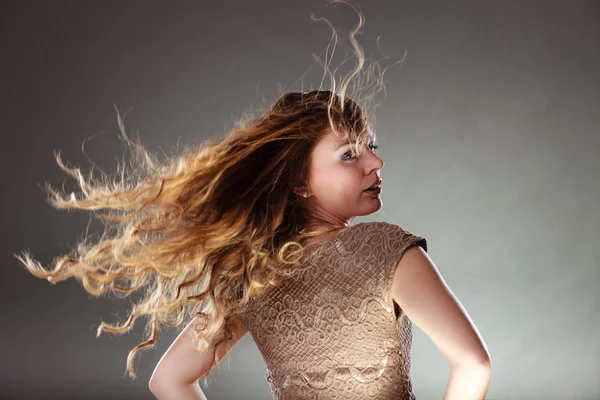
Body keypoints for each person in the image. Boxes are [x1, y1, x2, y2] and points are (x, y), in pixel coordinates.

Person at [15, 3, 491, 399]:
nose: (375, 163)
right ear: (299, 183)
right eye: (350, 154)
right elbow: (473, 364)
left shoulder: (253, 273)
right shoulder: (387, 250)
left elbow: (168, 380)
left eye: (373, 147)